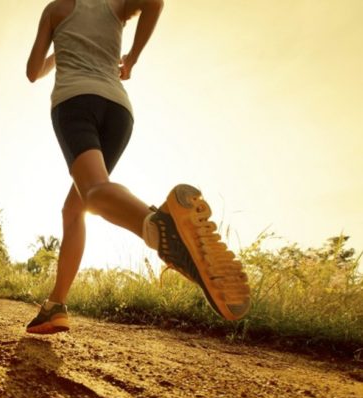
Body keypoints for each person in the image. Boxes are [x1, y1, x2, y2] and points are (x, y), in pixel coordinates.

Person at [25, 0, 250, 334]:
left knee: (94, 192)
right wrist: (132, 58)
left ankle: (158, 225)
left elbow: (32, 72)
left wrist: (59, 50)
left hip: (75, 101)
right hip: (118, 111)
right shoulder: (114, 5)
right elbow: (154, 2)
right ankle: (56, 305)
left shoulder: (57, 9)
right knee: (74, 208)